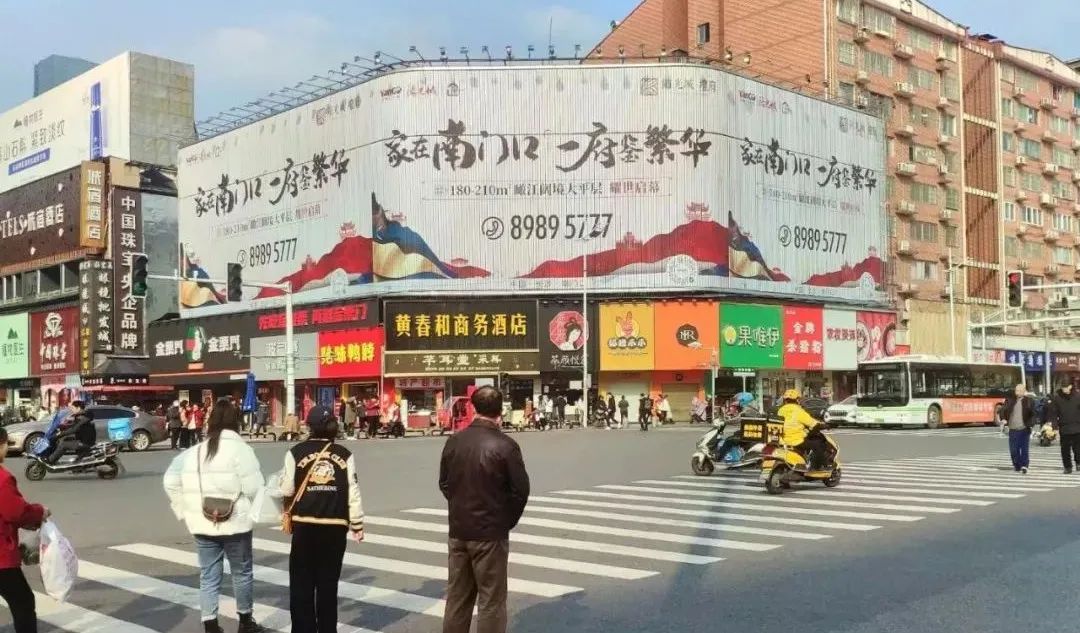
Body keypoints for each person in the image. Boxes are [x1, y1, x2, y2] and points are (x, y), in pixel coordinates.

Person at [163, 398, 266, 633]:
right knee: (242, 572)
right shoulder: (241, 449)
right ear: (235, 421)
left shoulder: (195, 451)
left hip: (202, 522)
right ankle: (245, 622)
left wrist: (185, 509)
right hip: (236, 523)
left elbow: (170, 481)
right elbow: (254, 488)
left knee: (208, 575)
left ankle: (210, 624)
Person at [439, 386, 530, 633]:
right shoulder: (506, 445)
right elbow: (520, 491)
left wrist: (461, 506)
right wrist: (505, 520)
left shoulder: (454, 441)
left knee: (457, 598)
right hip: (490, 533)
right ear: (500, 410)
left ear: (473, 407)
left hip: (459, 530)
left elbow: (444, 483)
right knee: (491, 601)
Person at [280, 405, 364, 633]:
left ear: (309, 426)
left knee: (302, 585)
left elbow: (287, 489)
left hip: (305, 525)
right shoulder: (345, 455)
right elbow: (353, 490)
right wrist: (357, 524)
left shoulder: (295, 452)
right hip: (335, 526)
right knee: (328, 586)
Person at [0, 427, 48, 633]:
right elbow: (16, 512)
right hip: (1, 555)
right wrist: (40, 512)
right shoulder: (2, 479)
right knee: (23, 602)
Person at [777, 389, 830, 469]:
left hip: (782, 440)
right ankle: (819, 467)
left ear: (785, 400)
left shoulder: (781, 410)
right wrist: (824, 425)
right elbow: (813, 423)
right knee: (818, 444)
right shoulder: (798, 411)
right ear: (797, 400)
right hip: (796, 440)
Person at [43, 400, 95, 465]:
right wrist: (62, 426)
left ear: (78, 408)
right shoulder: (83, 416)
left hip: (85, 442)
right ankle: (54, 459)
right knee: (63, 439)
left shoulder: (82, 417)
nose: (71, 410)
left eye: (73, 408)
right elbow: (74, 426)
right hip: (83, 438)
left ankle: (50, 460)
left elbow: (74, 429)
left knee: (63, 445)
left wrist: (60, 434)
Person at [999, 383, 1035, 473]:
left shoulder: (1029, 401)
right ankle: (1017, 465)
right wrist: (1003, 419)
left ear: (1024, 391)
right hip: (1013, 429)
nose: (1017, 392)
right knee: (1014, 450)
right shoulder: (1010, 400)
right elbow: (1002, 410)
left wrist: (1031, 424)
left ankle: (1024, 465)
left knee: (1024, 449)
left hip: (1024, 428)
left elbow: (1033, 414)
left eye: (1020, 390)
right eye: (1016, 390)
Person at [1049, 380, 1080, 473]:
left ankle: (1078, 463)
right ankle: (1067, 467)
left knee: (1078, 449)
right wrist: (1055, 427)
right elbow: (1054, 414)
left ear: (1070, 386)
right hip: (1064, 427)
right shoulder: (1057, 398)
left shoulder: (1078, 396)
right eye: (1063, 387)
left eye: (1066, 387)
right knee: (1065, 450)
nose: (1064, 389)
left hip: (1077, 427)